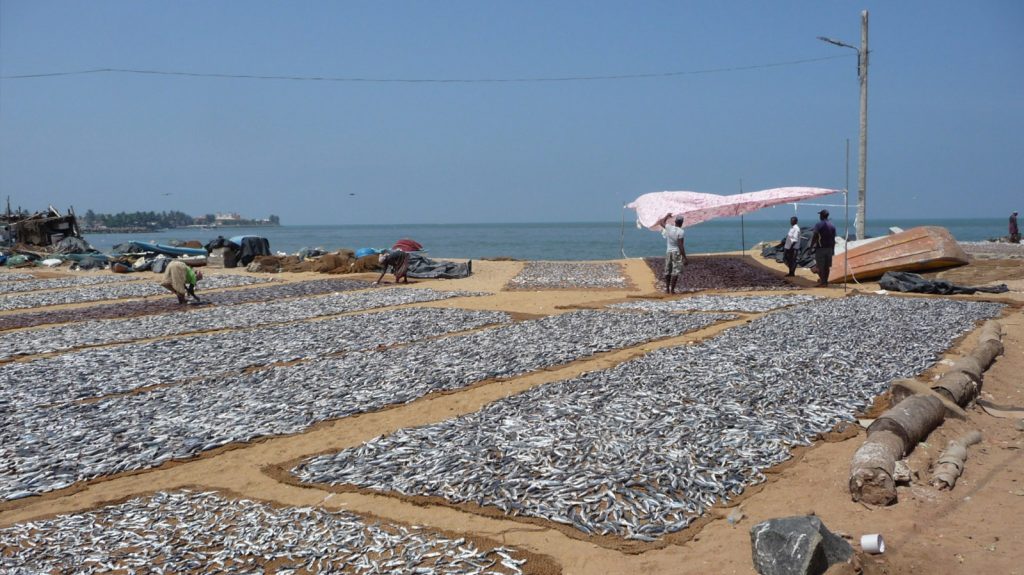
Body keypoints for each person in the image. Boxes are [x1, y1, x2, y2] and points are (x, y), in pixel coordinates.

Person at [658, 212, 688, 294]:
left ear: (675, 222)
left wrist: (667, 216)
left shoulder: (669, 227)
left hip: (668, 252)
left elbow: (661, 222)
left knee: (668, 271)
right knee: (675, 271)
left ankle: (667, 288)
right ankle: (672, 290)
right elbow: (680, 245)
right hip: (676, 253)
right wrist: (685, 257)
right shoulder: (681, 232)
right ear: (681, 223)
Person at [810, 209, 837, 287]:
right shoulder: (832, 225)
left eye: (820, 215)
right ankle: (825, 282)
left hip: (821, 248)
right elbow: (833, 238)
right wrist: (833, 249)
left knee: (820, 266)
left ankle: (823, 283)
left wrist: (811, 247)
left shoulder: (819, 224)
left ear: (821, 216)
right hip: (829, 248)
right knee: (827, 267)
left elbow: (815, 236)